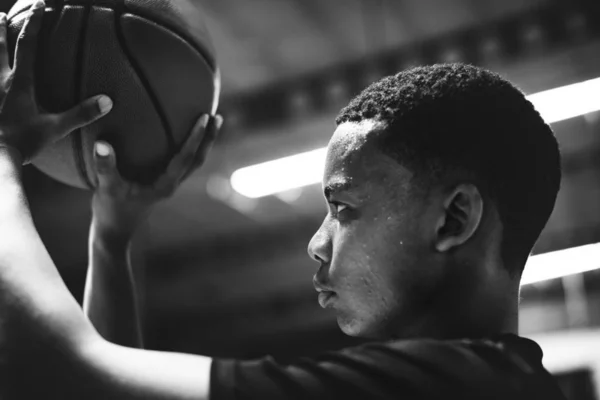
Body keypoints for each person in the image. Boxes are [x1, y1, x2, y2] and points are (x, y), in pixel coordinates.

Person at [0, 2, 568, 399]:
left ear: (455, 217)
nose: (316, 244)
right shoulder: (500, 383)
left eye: (343, 208)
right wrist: (113, 232)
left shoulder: (449, 386)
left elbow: (61, 377)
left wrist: (3, 149)